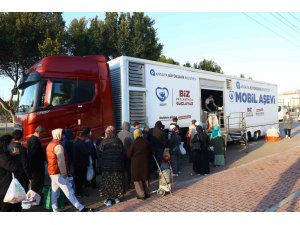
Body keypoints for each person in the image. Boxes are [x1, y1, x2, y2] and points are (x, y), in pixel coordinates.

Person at [46, 128, 94, 212]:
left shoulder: (50, 144)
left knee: (55, 192)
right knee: (69, 191)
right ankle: (81, 208)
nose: (64, 136)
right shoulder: (58, 146)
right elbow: (61, 162)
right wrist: (65, 174)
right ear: (59, 135)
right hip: (58, 173)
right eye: (63, 134)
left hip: (52, 172)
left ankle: (55, 210)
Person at [98, 126, 125, 206]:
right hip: (117, 166)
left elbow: (99, 153)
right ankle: (116, 198)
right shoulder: (118, 141)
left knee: (108, 183)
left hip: (106, 167)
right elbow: (122, 152)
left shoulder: (103, 142)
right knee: (116, 182)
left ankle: (109, 199)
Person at [127, 129, 151, 200]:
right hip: (145, 163)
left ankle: (141, 195)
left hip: (136, 165)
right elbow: (151, 151)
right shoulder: (146, 142)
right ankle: (147, 193)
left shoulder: (134, 143)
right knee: (146, 178)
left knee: (137, 180)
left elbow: (128, 154)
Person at [27, 125, 46, 199]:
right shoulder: (34, 140)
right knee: (36, 184)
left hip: (35, 167)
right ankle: (35, 199)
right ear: (39, 132)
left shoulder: (31, 139)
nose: (43, 136)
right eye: (43, 134)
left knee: (36, 184)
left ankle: (36, 198)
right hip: (37, 167)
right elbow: (34, 155)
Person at [0, 135, 19, 212]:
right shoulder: (3, 156)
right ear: (6, 144)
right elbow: (14, 168)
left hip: (6, 187)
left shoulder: (5, 154)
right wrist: (17, 156)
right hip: (5, 188)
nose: (14, 144)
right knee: (8, 209)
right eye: (12, 142)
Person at [72, 129, 90, 197]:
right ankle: (80, 192)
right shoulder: (80, 143)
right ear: (84, 137)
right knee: (81, 179)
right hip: (81, 164)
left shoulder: (76, 142)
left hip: (77, 164)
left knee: (78, 179)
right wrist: (89, 150)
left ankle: (79, 191)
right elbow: (85, 152)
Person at [117, 121, 133, 190]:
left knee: (122, 170)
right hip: (128, 155)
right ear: (128, 126)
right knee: (129, 170)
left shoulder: (118, 134)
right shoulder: (130, 134)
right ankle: (129, 183)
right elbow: (133, 145)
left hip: (120, 155)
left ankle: (123, 185)